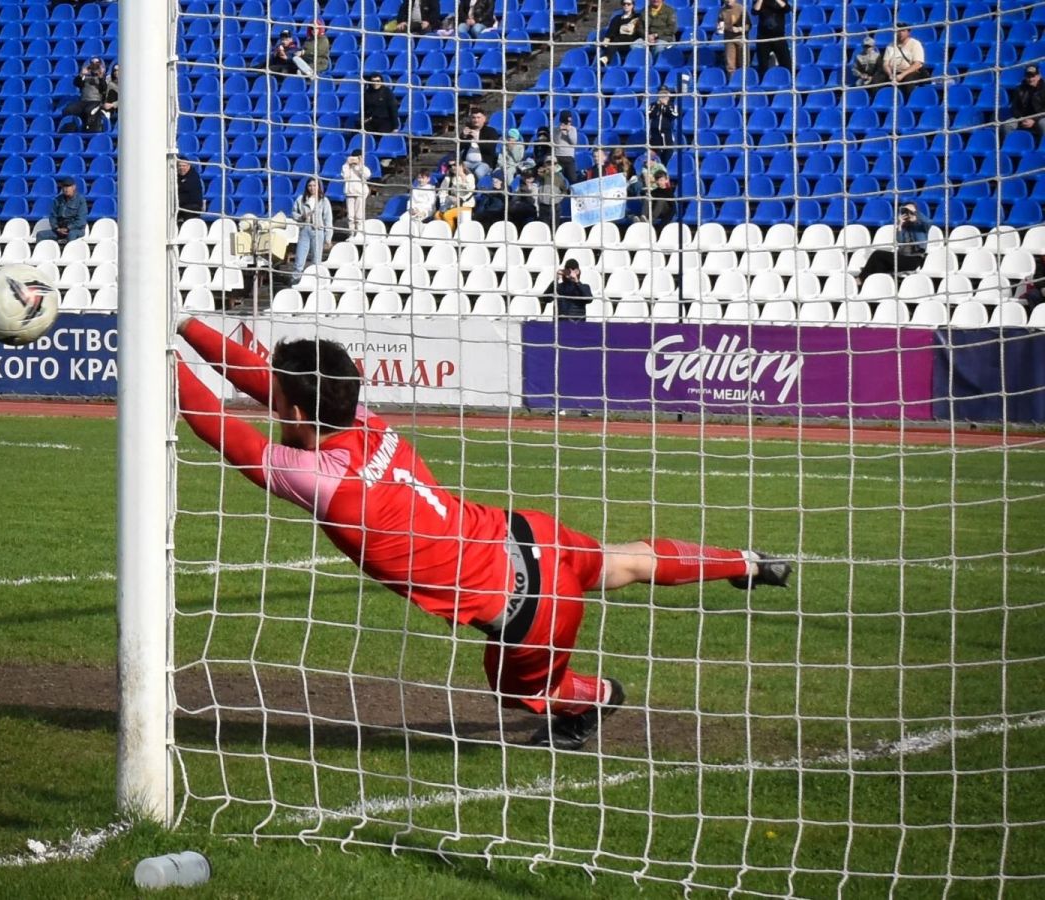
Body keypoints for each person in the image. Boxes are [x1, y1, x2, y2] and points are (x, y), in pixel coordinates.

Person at [175, 317, 792, 750]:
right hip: (525, 536)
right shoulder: (361, 417)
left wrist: (160, 361)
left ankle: (596, 696)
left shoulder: (324, 478)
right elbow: (264, 383)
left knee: (518, 690)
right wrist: (180, 325)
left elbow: (221, 429)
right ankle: (746, 561)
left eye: (278, 395)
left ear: (295, 411)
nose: (268, 393)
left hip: (528, 611)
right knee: (627, 561)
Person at [857, 202, 929, 282]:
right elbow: (900, 242)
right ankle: (877, 284)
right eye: (906, 211)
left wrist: (915, 214)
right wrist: (900, 225)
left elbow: (929, 222)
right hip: (902, 257)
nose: (909, 213)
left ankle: (861, 279)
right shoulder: (905, 227)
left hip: (914, 259)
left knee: (877, 254)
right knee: (879, 265)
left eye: (911, 211)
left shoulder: (922, 226)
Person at [290, 177, 333, 278]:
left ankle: (315, 280)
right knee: (299, 258)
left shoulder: (324, 201)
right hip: (304, 230)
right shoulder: (301, 199)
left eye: (314, 185)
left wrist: (328, 238)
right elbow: (294, 213)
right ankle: (296, 279)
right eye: (310, 186)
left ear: (318, 187)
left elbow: (328, 220)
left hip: (318, 231)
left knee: (316, 260)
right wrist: (302, 217)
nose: (312, 188)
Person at [62, 56, 109, 132]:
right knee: (68, 110)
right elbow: (76, 83)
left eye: (97, 63)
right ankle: (71, 129)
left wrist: (100, 77)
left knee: (89, 111)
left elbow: (104, 89)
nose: (94, 65)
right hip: (83, 101)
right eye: (92, 63)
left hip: (96, 101)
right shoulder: (85, 77)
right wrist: (81, 75)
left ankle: (90, 129)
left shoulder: (105, 77)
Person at [38, 175, 89, 246]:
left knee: (71, 235)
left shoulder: (80, 200)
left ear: (74, 187)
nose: (66, 189)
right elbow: (52, 216)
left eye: (68, 186)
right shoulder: (58, 200)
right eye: (64, 187)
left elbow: (81, 221)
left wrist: (68, 228)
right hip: (59, 230)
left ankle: (69, 252)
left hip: (75, 230)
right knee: (40, 235)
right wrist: (57, 228)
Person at [882, 23, 927, 99]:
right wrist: (890, 74)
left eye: (903, 31)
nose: (900, 33)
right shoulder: (890, 45)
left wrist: (902, 75)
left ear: (908, 32)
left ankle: (910, 101)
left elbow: (917, 64)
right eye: (898, 31)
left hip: (910, 72)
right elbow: (885, 64)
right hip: (893, 72)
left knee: (908, 80)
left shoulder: (915, 44)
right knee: (878, 79)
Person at [1002, 64, 1045, 140]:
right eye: (1028, 77)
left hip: (1040, 118)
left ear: (1039, 76)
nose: (1030, 79)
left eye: (1033, 76)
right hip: (1023, 118)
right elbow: (1014, 107)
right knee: (1007, 124)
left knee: (1043, 123)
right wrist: (1021, 118)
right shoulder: (1019, 89)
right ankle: (1011, 144)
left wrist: (1034, 120)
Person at [598, 0, 644, 67]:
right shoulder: (617, 18)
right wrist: (607, 38)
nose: (626, 5)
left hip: (631, 40)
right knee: (613, 39)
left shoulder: (637, 17)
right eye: (624, 4)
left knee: (616, 40)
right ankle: (605, 50)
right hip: (618, 41)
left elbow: (638, 30)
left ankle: (606, 57)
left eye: (628, 4)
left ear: (632, 5)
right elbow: (611, 30)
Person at [751, 0, 791, 77]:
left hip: (779, 37)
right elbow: (755, 11)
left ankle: (788, 80)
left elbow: (787, 8)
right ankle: (763, 81)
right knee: (763, 65)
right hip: (763, 38)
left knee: (786, 63)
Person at [459, 107, 499, 181]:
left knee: (478, 172)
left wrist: (478, 140)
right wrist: (463, 137)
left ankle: (473, 187)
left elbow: (490, 149)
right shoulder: (468, 131)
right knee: (457, 170)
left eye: (478, 117)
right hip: (467, 162)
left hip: (484, 163)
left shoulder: (491, 132)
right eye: (473, 117)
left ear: (484, 119)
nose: (476, 120)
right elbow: (459, 148)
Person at [436, 158, 475, 232]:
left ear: (461, 165)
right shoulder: (448, 178)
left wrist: (463, 177)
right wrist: (446, 200)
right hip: (451, 205)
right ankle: (442, 234)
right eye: (450, 166)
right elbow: (442, 191)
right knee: (437, 215)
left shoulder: (469, 176)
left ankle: (451, 234)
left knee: (447, 215)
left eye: (454, 165)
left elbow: (470, 190)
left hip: (465, 205)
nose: (452, 167)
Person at [342, 151, 370, 239]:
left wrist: (360, 164)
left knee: (359, 216)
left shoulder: (363, 168)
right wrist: (347, 163)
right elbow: (344, 176)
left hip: (360, 193)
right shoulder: (347, 168)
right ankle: (351, 233)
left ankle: (359, 233)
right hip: (350, 193)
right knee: (350, 216)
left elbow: (367, 175)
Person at [641, 150, 674, 224]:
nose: (645, 163)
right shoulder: (644, 168)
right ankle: (643, 217)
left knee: (660, 200)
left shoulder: (669, 191)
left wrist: (653, 179)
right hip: (654, 193)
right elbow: (647, 180)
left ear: (653, 160)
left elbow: (672, 208)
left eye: (647, 161)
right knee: (648, 197)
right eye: (644, 162)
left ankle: (651, 219)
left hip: (665, 209)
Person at [536, 155, 568, 229]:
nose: (551, 166)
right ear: (544, 164)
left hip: (555, 206)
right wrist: (545, 171)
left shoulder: (560, 176)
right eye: (548, 163)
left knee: (554, 228)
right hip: (543, 206)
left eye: (554, 163)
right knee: (544, 228)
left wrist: (559, 198)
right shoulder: (540, 174)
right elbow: (538, 174)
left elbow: (564, 190)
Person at [718, 0, 748, 77]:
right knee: (730, 64)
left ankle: (745, 80)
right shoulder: (722, 10)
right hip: (729, 39)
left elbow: (748, 25)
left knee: (744, 62)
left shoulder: (741, 9)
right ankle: (732, 80)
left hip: (741, 38)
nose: (728, 1)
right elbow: (719, 24)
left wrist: (739, 29)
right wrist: (719, 29)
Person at [648, 89, 678, 157]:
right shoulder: (653, 105)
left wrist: (666, 105)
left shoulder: (672, 105)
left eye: (665, 95)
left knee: (667, 153)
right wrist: (657, 106)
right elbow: (649, 115)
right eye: (661, 94)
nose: (663, 97)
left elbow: (674, 115)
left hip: (666, 133)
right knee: (655, 154)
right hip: (655, 133)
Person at [552, 111, 579, 186]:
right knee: (558, 181)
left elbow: (574, 142)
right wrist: (559, 131)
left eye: (569, 122)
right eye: (566, 122)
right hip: (558, 158)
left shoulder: (573, 129)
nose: (568, 124)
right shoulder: (555, 129)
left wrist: (568, 131)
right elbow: (556, 142)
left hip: (569, 158)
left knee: (573, 180)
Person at [176, 159, 205, 225]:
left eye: (184, 166)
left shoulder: (193, 177)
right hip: (181, 204)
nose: (181, 168)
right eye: (179, 166)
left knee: (188, 211)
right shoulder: (177, 176)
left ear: (189, 166)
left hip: (193, 205)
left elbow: (189, 196)